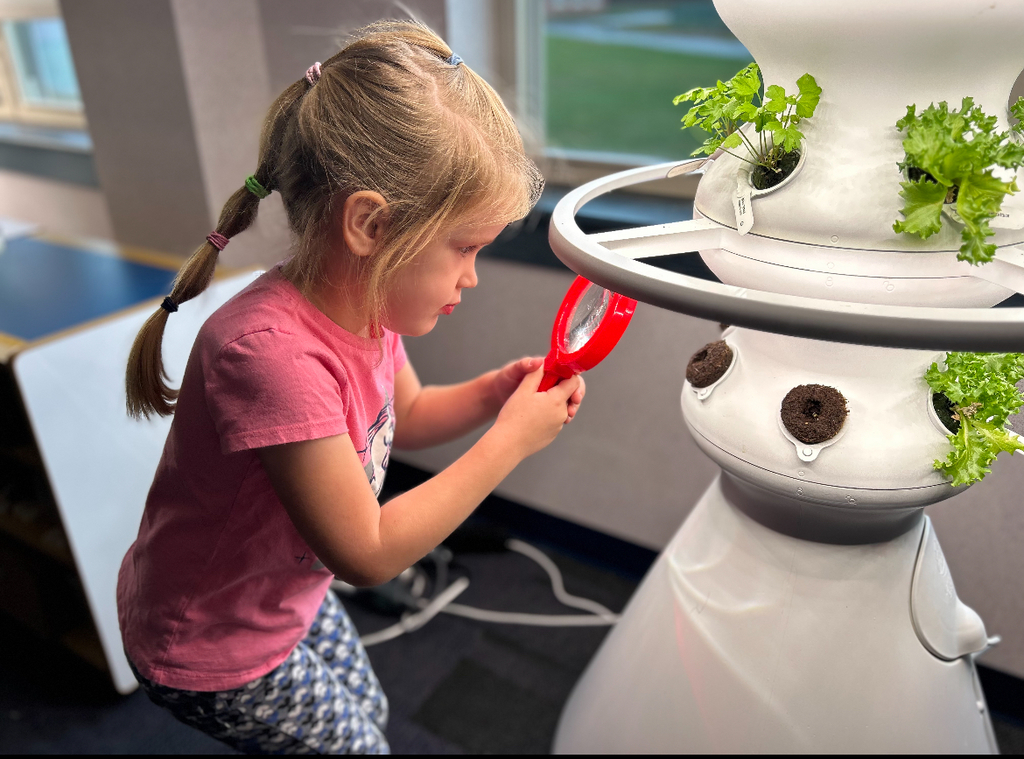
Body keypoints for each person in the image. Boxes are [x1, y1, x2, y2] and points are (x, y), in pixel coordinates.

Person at [116, 20, 585, 755]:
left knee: (367, 713)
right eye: (464, 248)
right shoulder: (269, 357)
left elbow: (415, 414)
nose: (471, 276)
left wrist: (496, 393)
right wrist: (510, 443)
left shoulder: (370, 310)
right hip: (207, 641)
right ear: (369, 224)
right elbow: (365, 553)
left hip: (278, 593)